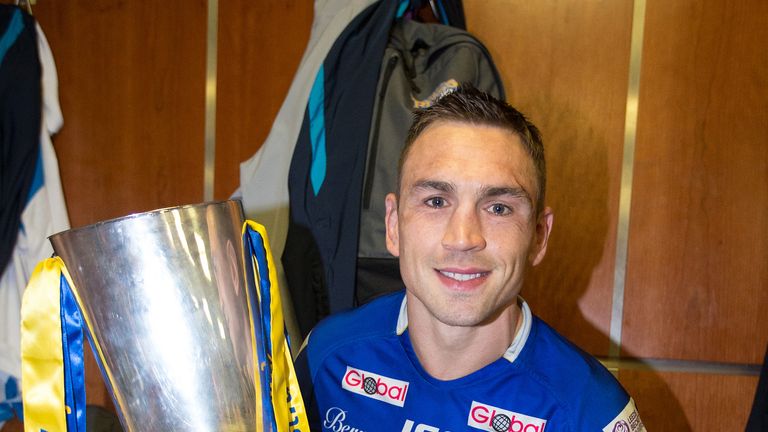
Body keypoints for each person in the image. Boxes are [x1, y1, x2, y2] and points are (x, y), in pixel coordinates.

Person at [295, 85, 644, 431]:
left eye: (498, 208)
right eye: (435, 201)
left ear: (539, 236)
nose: (463, 239)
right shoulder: (325, 358)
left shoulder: (593, 415)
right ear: (393, 225)